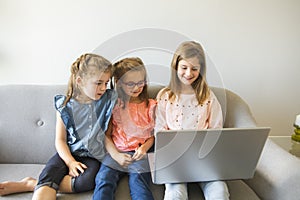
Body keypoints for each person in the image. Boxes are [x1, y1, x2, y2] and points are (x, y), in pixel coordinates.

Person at [0, 53, 117, 200]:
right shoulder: (65, 105)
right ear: (80, 81)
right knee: (51, 172)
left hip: (93, 157)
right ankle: (40, 186)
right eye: (98, 83)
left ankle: (31, 184)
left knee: (86, 181)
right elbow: (60, 140)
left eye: (106, 83)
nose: (103, 88)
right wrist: (70, 162)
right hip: (68, 153)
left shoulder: (108, 100)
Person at [154, 41, 230, 200]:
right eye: (184, 68)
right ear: (176, 67)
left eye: (194, 69)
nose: (189, 73)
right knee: (175, 194)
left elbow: (216, 130)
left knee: (220, 191)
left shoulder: (208, 96)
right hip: (175, 160)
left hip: (204, 159)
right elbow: (159, 130)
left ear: (201, 70)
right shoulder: (165, 96)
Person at [93, 57, 156, 200]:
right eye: (130, 84)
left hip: (139, 153)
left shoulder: (151, 106)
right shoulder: (114, 105)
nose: (136, 88)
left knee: (139, 183)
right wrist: (116, 155)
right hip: (116, 152)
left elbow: (153, 135)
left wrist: (144, 148)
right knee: (103, 179)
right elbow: (106, 135)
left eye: (141, 82)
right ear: (119, 83)